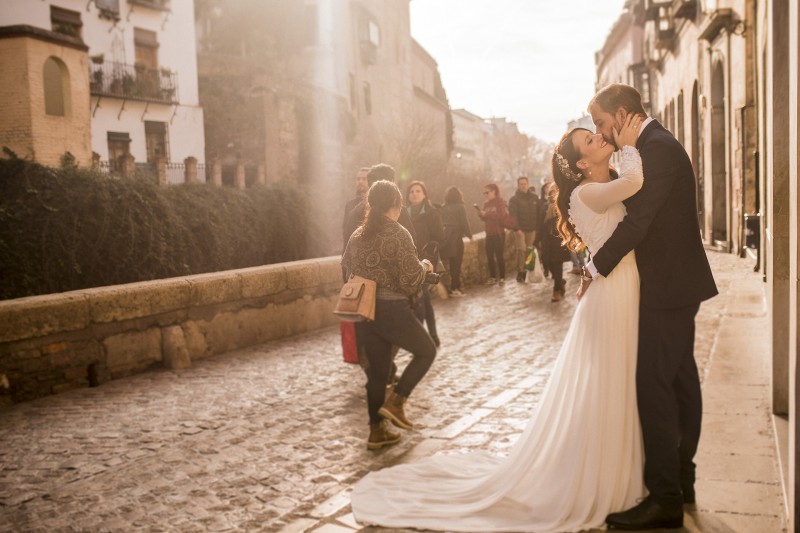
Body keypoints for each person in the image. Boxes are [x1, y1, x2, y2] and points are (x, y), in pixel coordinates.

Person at [350, 114, 647, 532]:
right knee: (420, 353)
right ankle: (389, 410)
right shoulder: (585, 193)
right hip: (398, 306)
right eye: (590, 138)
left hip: (371, 312)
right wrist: (631, 140)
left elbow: (348, 268)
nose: (600, 137)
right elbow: (633, 185)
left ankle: (382, 416)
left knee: (379, 368)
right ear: (579, 164)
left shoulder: (358, 235)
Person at [584, 83, 718, 530]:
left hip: (668, 287)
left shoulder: (656, 148)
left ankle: (664, 500)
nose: (602, 132)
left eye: (603, 123)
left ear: (623, 114)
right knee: (681, 383)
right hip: (674, 285)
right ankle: (683, 480)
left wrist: (594, 266)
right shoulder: (653, 147)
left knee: (654, 387)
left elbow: (639, 222)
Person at [341, 180, 438, 451]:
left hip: (365, 313)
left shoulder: (358, 235)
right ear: (395, 205)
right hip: (392, 310)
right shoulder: (399, 233)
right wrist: (426, 265)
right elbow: (410, 280)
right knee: (426, 351)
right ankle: (397, 400)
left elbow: (345, 267)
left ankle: (376, 431)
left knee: (377, 374)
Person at [406, 180, 445, 346]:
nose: (414, 194)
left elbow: (439, 239)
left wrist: (429, 258)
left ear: (424, 194)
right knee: (424, 299)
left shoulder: (431, 213)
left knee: (420, 298)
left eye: (418, 191)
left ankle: (420, 337)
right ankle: (433, 336)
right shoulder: (402, 213)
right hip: (408, 262)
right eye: (412, 191)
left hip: (425, 262)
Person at [535, 182, 570, 302]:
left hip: (558, 240)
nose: (552, 194)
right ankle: (560, 282)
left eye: (554, 191)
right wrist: (536, 240)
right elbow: (540, 224)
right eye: (551, 192)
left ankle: (556, 291)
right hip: (546, 240)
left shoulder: (562, 205)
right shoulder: (544, 207)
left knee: (557, 264)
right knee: (548, 263)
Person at [438, 186, 472, 296]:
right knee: (456, 265)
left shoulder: (443, 207)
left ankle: (450, 288)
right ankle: (455, 288)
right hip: (456, 239)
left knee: (448, 265)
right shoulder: (460, 207)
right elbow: (464, 223)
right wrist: (470, 236)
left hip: (445, 238)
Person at [508, 176, 539, 283]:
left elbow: (538, 213)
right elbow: (512, 216)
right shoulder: (514, 199)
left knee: (530, 250)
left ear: (528, 184)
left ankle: (528, 270)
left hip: (532, 229)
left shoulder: (534, 197)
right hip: (520, 230)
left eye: (525, 183)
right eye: (521, 184)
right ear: (518, 185)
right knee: (521, 250)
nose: (523, 185)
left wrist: (538, 228)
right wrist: (517, 229)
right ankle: (520, 272)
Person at [477, 183, 508, 286]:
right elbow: (485, 218)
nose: (486, 194)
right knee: (489, 256)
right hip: (489, 233)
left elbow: (501, 216)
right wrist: (481, 215)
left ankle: (502, 277)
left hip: (498, 233)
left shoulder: (500, 202)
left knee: (499, 256)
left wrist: (487, 214)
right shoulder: (486, 204)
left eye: (487, 192)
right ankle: (493, 277)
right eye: (484, 193)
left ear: (494, 191)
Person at [342, 167, 370, 250]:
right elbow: (345, 232)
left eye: (364, 179)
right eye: (358, 179)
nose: (360, 181)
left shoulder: (375, 204)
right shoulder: (349, 205)